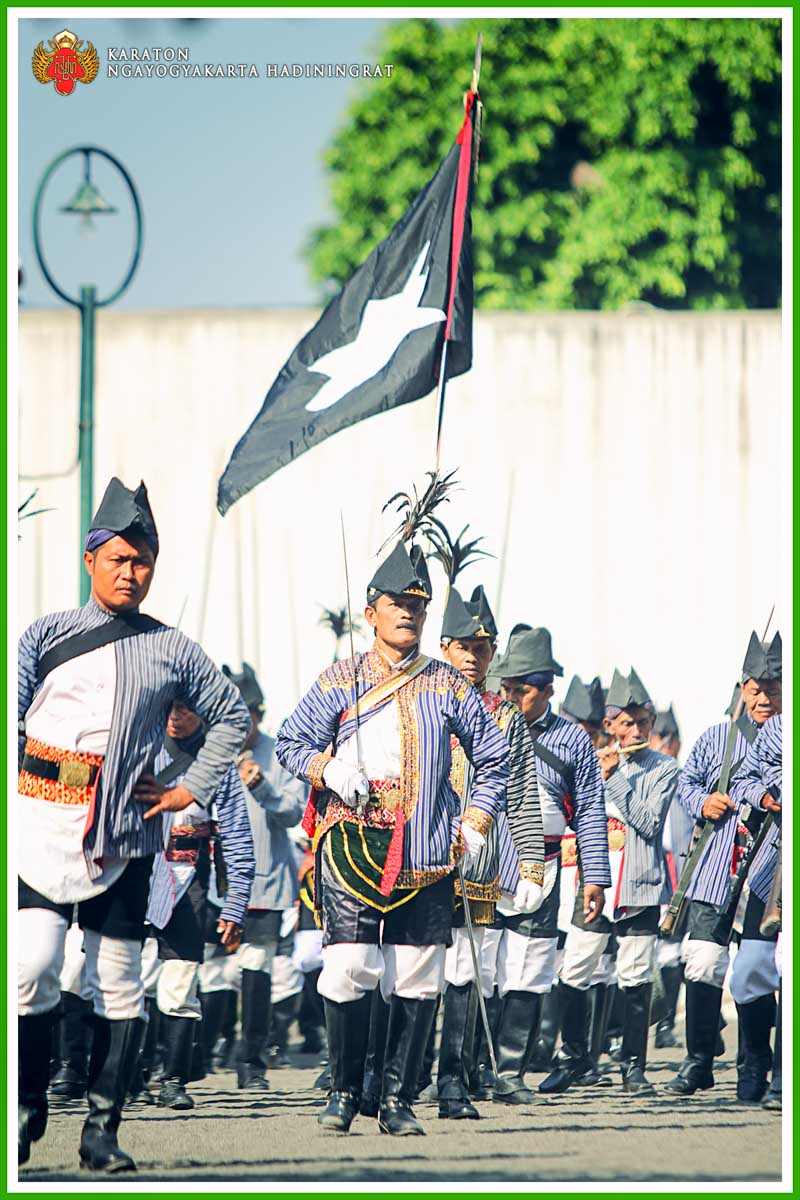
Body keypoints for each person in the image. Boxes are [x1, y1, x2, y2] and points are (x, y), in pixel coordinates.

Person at [17, 477, 251, 1173]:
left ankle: (101, 1132)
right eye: (118, 558)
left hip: (126, 833)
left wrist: (187, 791)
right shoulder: (44, 635)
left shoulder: (174, 648)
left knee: (118, 982)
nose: (130, 572)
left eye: (142, 561)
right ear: (90, 559)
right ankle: (25, 1108)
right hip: (41, 826)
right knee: (32, 969)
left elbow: (231, 717)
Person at [276, 500, 509, 1136]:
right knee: (350, 966)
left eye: (417, 605)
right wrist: (329, 770)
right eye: (397, 603)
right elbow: (291, 742)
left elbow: (493, 757)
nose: (407, 613)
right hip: (352, 840)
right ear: (371, 611)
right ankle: (344, 1091)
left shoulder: (449, 684)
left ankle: (400, 1100)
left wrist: (475, 822)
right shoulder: (340, 678)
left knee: (417, 976)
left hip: (428, 843)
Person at [540, 668, 678, 1095]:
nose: (636, 730)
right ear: (610, 725)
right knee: (576, 966)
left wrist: (615, 777)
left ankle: (633, 1066)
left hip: (640, 885)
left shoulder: (664, 767)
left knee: (635, 972)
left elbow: (648, 823)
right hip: (595, 882)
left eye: (643, 722)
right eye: (627, 723)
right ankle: (574, 1058)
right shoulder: (589, 761)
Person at [436, 578, 545, 1119]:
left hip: (482, 862)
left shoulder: (505, 715)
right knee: (406, 971)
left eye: (483, 648)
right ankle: (390, 1075)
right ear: (444, 647)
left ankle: (457, 1077)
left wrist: (531, 864)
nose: (473, 657)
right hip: (420, 858)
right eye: (464, 646)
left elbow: (522, 792)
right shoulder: (422, 700)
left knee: (471, 969)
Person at [496, 628, 611, 1104]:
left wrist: (595, 877)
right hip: (485, 862)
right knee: (478, 967)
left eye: (521, 690)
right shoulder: (485, 724)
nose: (510, 697)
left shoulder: (572, 740)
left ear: (547, 689)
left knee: (531, 966)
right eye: (506, 687)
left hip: (541, 866)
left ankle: (509, 1074)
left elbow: (589, 811)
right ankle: (465, 1071)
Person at [664, 631, 781, 1097]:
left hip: (769, 873)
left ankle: (755, 1063)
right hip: (716, 868)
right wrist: (703, 801)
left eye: (773, 688)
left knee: (756, 966)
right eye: (755, 689)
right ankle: (698, 1061)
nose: (763, 698)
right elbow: (686, 784)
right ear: (742, 688)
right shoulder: (717, 738)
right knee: (703, 960)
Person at [145, 701, 255, 1109]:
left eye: (186, 707)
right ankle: (128, 1076)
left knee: (180, 983)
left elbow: (238, 838)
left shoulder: (217, 761)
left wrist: (235, 904)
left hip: (188, 880)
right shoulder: (138, 747)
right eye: (170, 706)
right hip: (136, 875)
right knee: (129, 978)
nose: (177, 715)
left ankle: (173, 1079)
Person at [222, 664, 307, 1091]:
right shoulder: (209, 753)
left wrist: (262, 788)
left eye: (246, 717)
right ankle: (176, 1063)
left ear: (259, 714)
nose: (239, 727)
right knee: (193, 971)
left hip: (264, 879)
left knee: (256, 965)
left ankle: (251, 1062)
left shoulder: (279, 754)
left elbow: (294, 812)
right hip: (213, 883)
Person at [729, 712, 782, 1105]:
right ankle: (756, 1058)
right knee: (748, 970)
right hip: (772, 869)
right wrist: (767, 795)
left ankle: (782, 1075)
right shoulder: (777, 728)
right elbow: (744, 777)